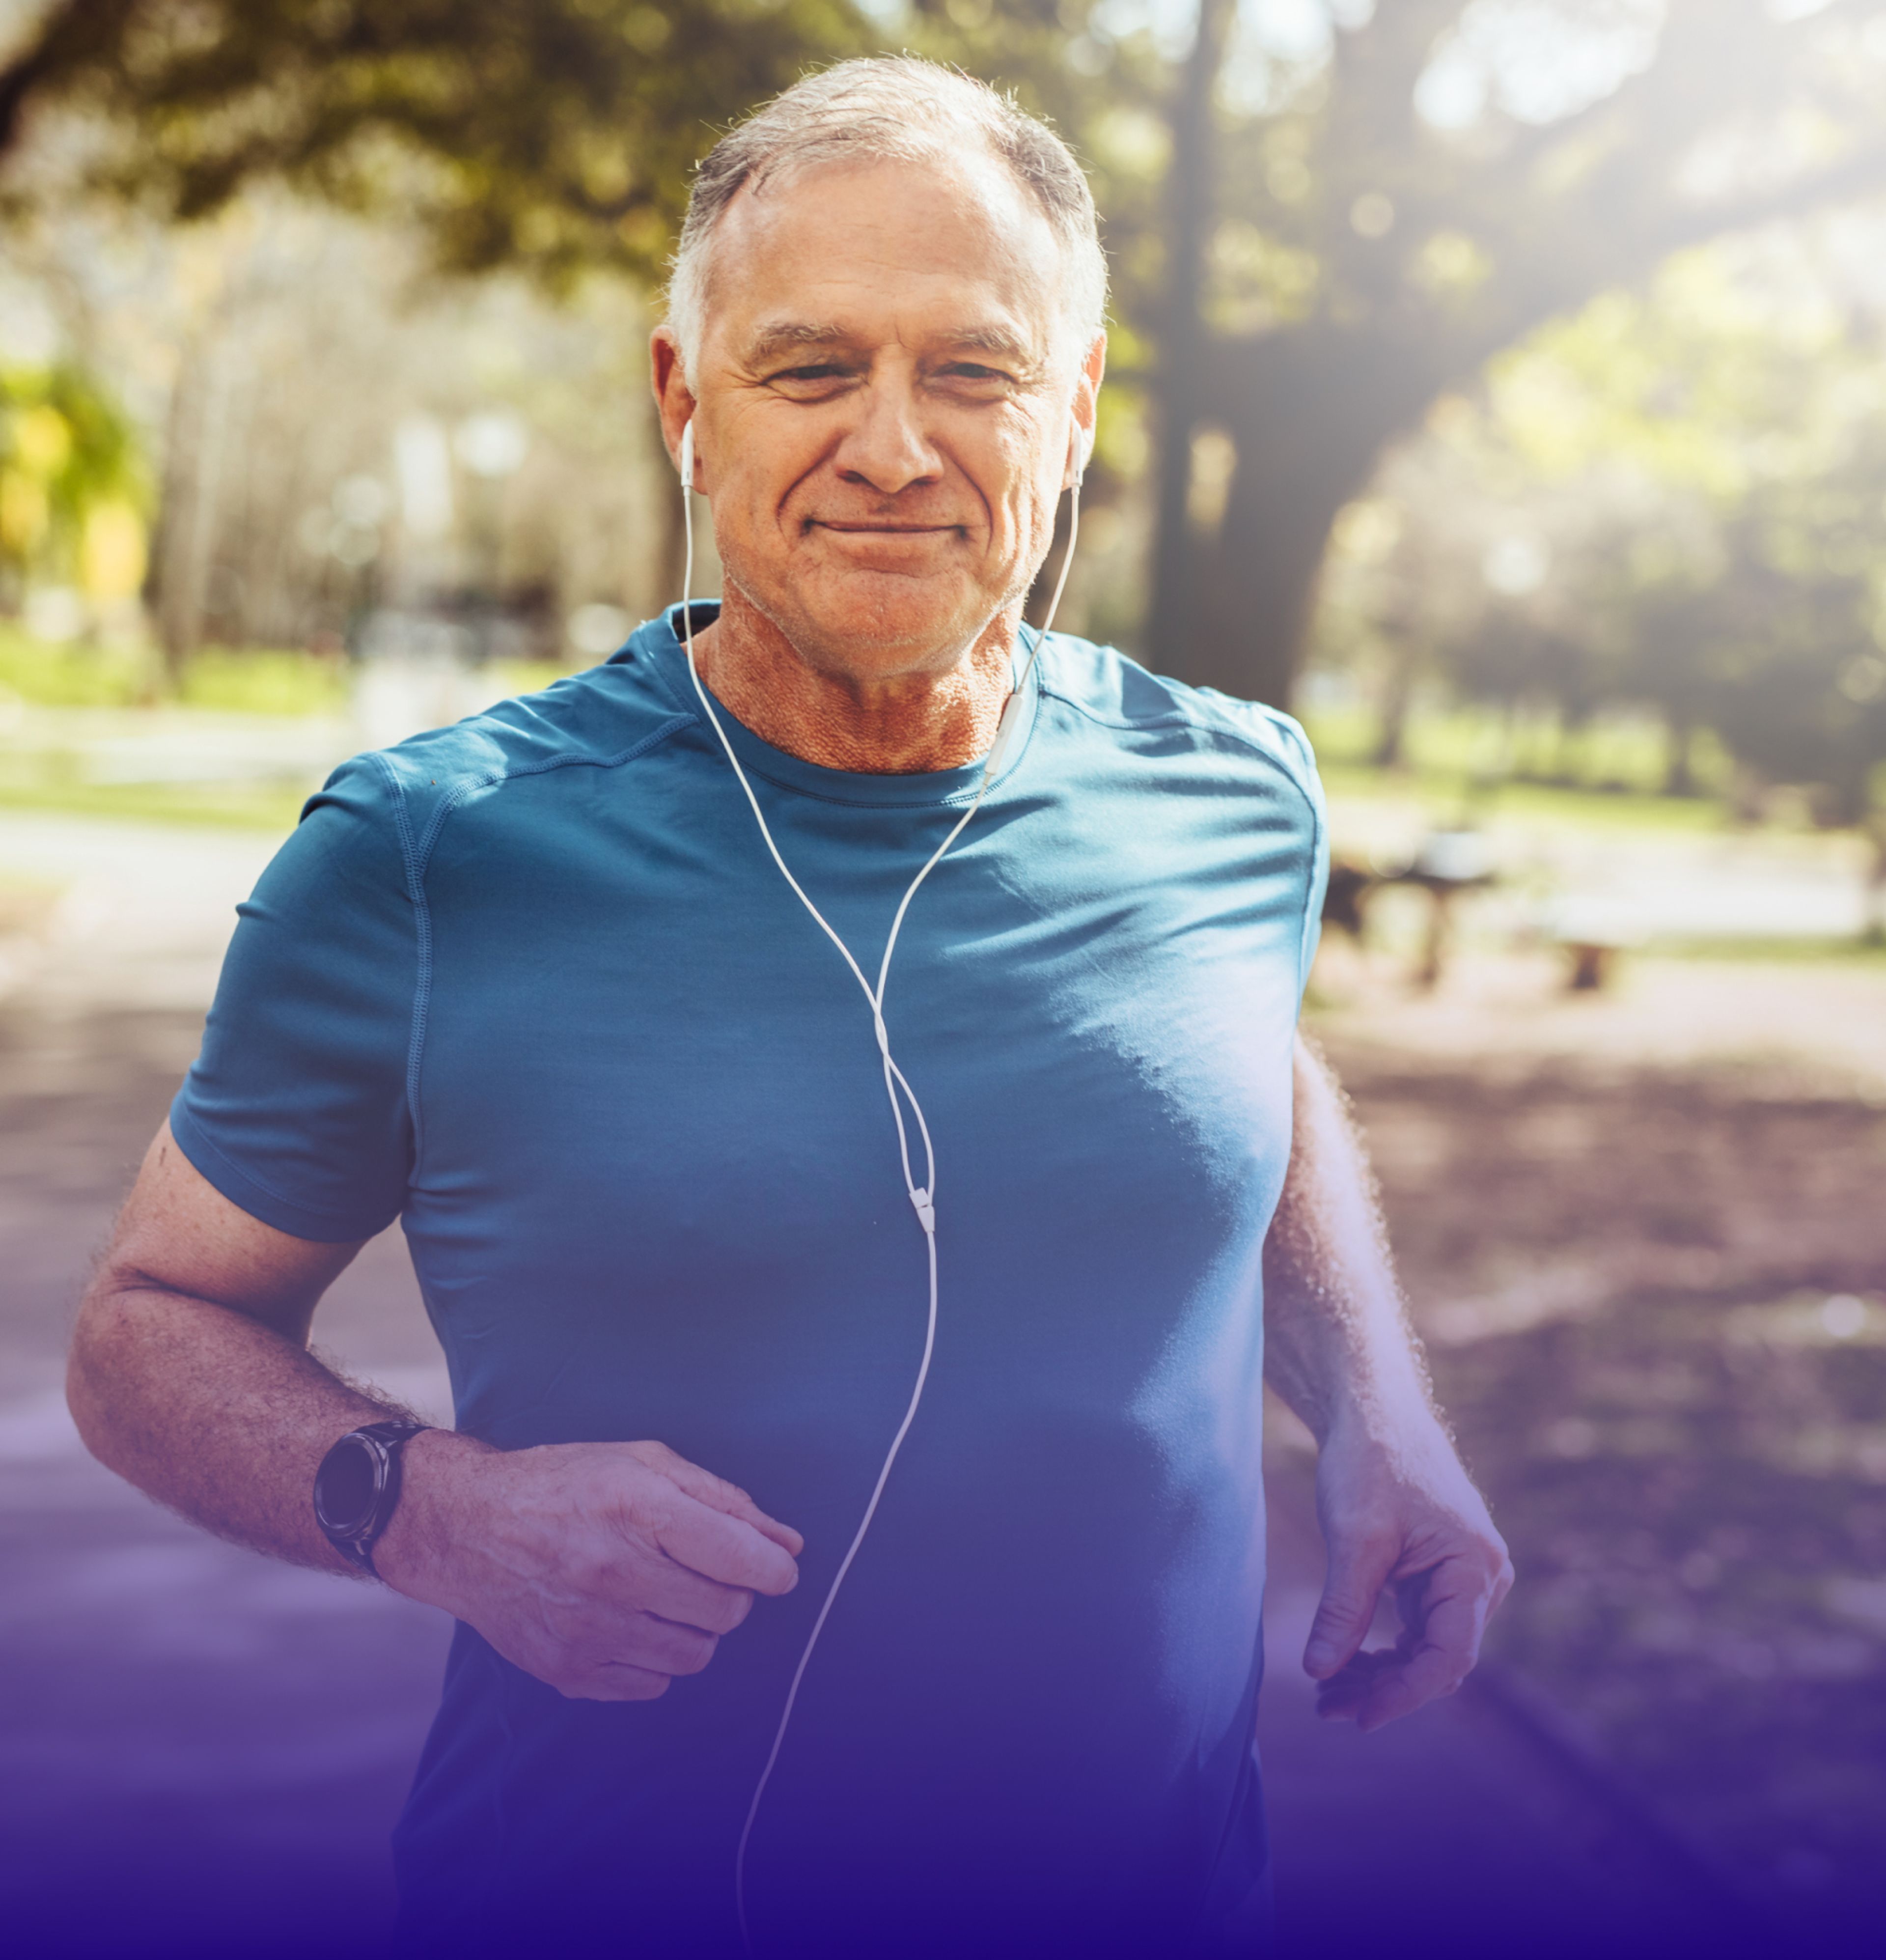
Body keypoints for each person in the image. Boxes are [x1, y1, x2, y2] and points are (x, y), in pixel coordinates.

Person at [67, 56, 1510, 1960]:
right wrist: (426, 1507)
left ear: (1072, 410)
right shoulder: (431, 853)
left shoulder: (1240, 791)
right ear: (686, 401)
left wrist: (1378, 1405)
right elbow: (148, 1325)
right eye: (811, 367)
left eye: (975, 371)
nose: (896, 444)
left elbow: (1239, 1065)